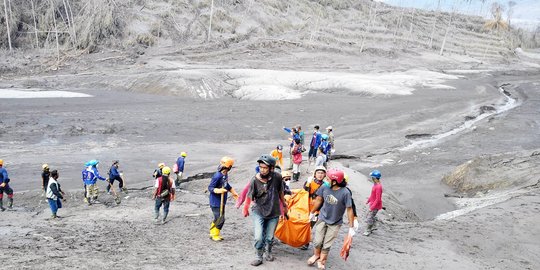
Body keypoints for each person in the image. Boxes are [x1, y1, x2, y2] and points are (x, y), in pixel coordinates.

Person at [243, 155, 287, 267]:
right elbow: (249, 196)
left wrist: (284, 205)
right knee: (258, 237)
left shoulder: (277, 177)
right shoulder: (254, 180)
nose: (262, 169)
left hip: (274, 211)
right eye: (261, 167)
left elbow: (281, 191)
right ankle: (259, 256)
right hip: (259, 211)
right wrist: (246, 208)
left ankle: (268, 252)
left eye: (265, 167)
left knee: (269, 237)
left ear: (271, 168)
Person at [307, 169, 355, 270]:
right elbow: (319, 200)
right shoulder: (324, 187)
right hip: (322, 218)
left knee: (327, 244)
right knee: (317, 241)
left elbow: (349, 209)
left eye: (328, 179)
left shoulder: (345, 193)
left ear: (335, 181)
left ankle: (322, 261)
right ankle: (316, 255)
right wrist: (312, 213)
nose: (326, 180)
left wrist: (351, 227)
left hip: (335, 222)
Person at [208, 156, 239, 241]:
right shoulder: (217, 176)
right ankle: (215, 234)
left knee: (218, 218)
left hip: (222, 201)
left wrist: (233, 191)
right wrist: (218, 190)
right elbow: (210, 187)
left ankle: (213, 232)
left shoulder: (225, 174)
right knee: (220, 218)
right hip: (215, 202)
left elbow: (226, 185)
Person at [364, 170, 383, 236]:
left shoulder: (378, 187)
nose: (371, 179)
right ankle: (374, 225)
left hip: (375, 206)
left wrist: (371, 208)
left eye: (372, 177)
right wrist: (369, 200)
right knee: (372, 216)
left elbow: (378, 199)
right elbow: (373, 194)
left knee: (369, 217)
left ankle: (368, 230)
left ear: (375, 178)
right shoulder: (375, 185)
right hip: (372, 203)